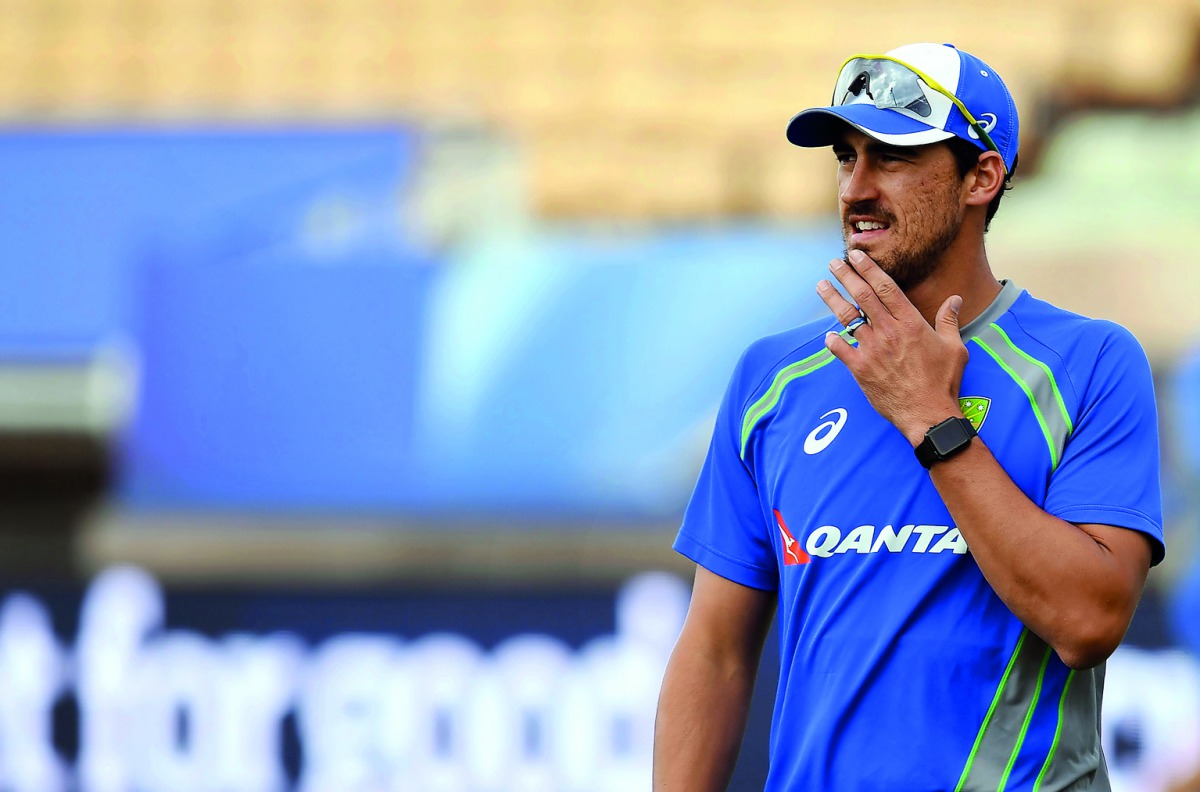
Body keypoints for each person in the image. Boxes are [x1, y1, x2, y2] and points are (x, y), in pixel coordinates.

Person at [653, 42, 1165, 791]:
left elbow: (1088, 623)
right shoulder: (772, 379)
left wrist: (932, 418)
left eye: (891, 157)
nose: (855, 188)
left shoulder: (1090, 363)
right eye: (844, 157)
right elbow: (715, 651)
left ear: (981, 177)